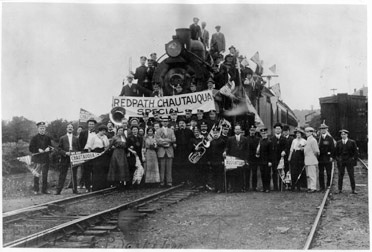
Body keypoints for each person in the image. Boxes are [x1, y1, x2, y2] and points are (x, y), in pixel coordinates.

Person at [55, 123, 81, 195]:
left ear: (73, 129)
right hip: (65, 158)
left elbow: (79, 148)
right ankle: (58, 190)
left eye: (71, 127)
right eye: (68, 127)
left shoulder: (76, 138)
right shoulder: (62, 138)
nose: (70, 128)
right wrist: (65, 153)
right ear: (66, 129)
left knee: (74, 174)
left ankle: (75, 190)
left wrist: (75, 154)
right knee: (62, 174)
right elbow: (59, 149)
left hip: (74, 158)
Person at [29, 121, 52, 195]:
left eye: (43, 128)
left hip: (45, 159)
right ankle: (36, 190)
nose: (42, 129)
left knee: (45, 175)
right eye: (41, 128)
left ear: (45, 129)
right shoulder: (34, 138)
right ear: (38, 129)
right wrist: (38, 149)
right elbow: (30, 148)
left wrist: (49, 149)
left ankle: (44, 190)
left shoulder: (48, 138)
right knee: (36, 174)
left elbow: (51, 147)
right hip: (37, 159)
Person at [223, 124, 248, 192]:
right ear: (234, 130)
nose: (237, 130)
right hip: (233, 159)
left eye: (238, 129)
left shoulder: (245, 139)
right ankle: (233, 188)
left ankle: (241, 188)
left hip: (241, 159)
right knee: (233, 173)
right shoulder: (230, 139)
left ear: (240, 130)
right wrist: (225, 152)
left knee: (241, 173)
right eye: (236, 129)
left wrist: (245, 159)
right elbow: (227, 147)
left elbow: (246, 150)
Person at [85, 125, 110, 191]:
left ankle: (103, 186)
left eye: (105, 131)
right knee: (96, 170)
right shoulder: (94, 137)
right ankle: (96, 186)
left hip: (103, 154)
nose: (104, 132)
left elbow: (107, 146)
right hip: (96, 154)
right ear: (100, 130)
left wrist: (105, 150)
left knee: (103, 170)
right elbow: (89, 147)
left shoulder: (105, 137)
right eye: (103, 131)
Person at [335, 129, 358, 194]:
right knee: (340, 175)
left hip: (349, 161)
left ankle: (353, 189)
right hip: (341, 161)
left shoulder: (352, 142)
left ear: (347, 135)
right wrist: (338, 159)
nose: (343, 135)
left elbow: (355, 152)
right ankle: (339, 189)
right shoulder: (338, 142)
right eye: (342, 134)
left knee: (351, 175)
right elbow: (336, 153)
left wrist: (353, 160)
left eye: (344, 134)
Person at [155, 117, 176, 187]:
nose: (165, 122)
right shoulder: (158, 130)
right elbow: (157, 140)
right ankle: (162, 182)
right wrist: (166, 142)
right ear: (161, 122)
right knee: (162, 168)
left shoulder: (171, 130)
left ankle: (169, 182)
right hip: (161, 150)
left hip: (169, 151)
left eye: (166, 121)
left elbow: (173, 139)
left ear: (168, 122)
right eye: (163, 121)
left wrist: (164, 140)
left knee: (169, 168)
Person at [174, 117, 194, 184]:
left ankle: (188, 179)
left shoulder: (190, 132)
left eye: (183, 123)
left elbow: (192, 141)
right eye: (180, 123)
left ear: (185, 124)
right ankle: (181, 180)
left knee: (188, 165)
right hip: (179, 151)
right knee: (180, 165)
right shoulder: (176, 132)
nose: (181, 124)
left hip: (187, 150)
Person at [79, 118, 97, 192]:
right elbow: (79, 143)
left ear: (94, 125)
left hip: (95, 152)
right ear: (87, 125)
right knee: (86, 170)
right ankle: (87, 187)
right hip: (86, 152)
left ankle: (95, 186)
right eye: (90, 124)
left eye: (92, 124)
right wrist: (82, 151)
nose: (91, 125)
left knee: (95, 170)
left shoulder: (97, 132)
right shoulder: (83, 132)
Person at [207, 126, 226, 193]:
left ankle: (220, 188)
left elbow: (224, 151)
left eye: (216, 132)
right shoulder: (211, 142)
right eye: (214, 132)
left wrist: (223, 160)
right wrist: (209, 160)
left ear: (219, 133)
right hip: (213, 161)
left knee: (219, 175)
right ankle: (216, 187)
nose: (215, 134)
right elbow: (209, 152)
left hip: (219, 161)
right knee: (214, 175)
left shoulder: (222, 141)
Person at [318, 123, 335, 190]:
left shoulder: (330, 138)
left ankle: (328, 185)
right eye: (322, 129)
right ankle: (322, 186)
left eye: (324, 129)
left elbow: (332, 148)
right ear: (320, 130)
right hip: (320, 158)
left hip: (327, 157)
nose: (323, 130)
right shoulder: (318, 138)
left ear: (327, 129)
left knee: (328, 172)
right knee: (321, 173)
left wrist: (331, 156)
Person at [270, 122, 288, 191]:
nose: (278, 130)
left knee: (282, 172)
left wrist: (284, 151)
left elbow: (287, 147)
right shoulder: (272, 139)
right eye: (276, 129)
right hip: (274, 158)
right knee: (274, 172)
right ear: (274, 130)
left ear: (281, 130)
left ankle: (282, 186)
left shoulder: (284, 139)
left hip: (281, 158)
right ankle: (275, 187)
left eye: (279, 129)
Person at [256, 127, 273, 193]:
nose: (264, 134)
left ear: (267, 134)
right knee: (262, 174)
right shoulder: (260, 141)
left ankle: (267, 188)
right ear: (261, 134)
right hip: (261, 160)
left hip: (267, 161)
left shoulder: (269, 142)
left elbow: (271, 153)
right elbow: (258, 150)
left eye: (265, 133)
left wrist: (270, 161)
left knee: (267, 175)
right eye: (262, 133)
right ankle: (264, 187)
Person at [304, 127, 320, 193]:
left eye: (308, 132)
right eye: (306, 132)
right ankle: (310, 187)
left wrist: (314, 157)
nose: (306, 133)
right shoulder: (308, 139)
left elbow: (316, 151)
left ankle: (313, 187)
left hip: (311, 159)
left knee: (312, 174)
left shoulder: (313, 140)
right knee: (308, 175)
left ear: (311, 132)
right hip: (307, 159)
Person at [247, 125, 260, 191]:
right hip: (248, 158)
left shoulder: (258, 139)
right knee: (247, 173)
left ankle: (254, 187)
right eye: (251, 130)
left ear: (255, 131)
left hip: (255, 159)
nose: (252, 132)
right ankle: (247, 187)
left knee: (254, 173)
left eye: (253, 130)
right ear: (249, 131)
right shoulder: (246, 139)